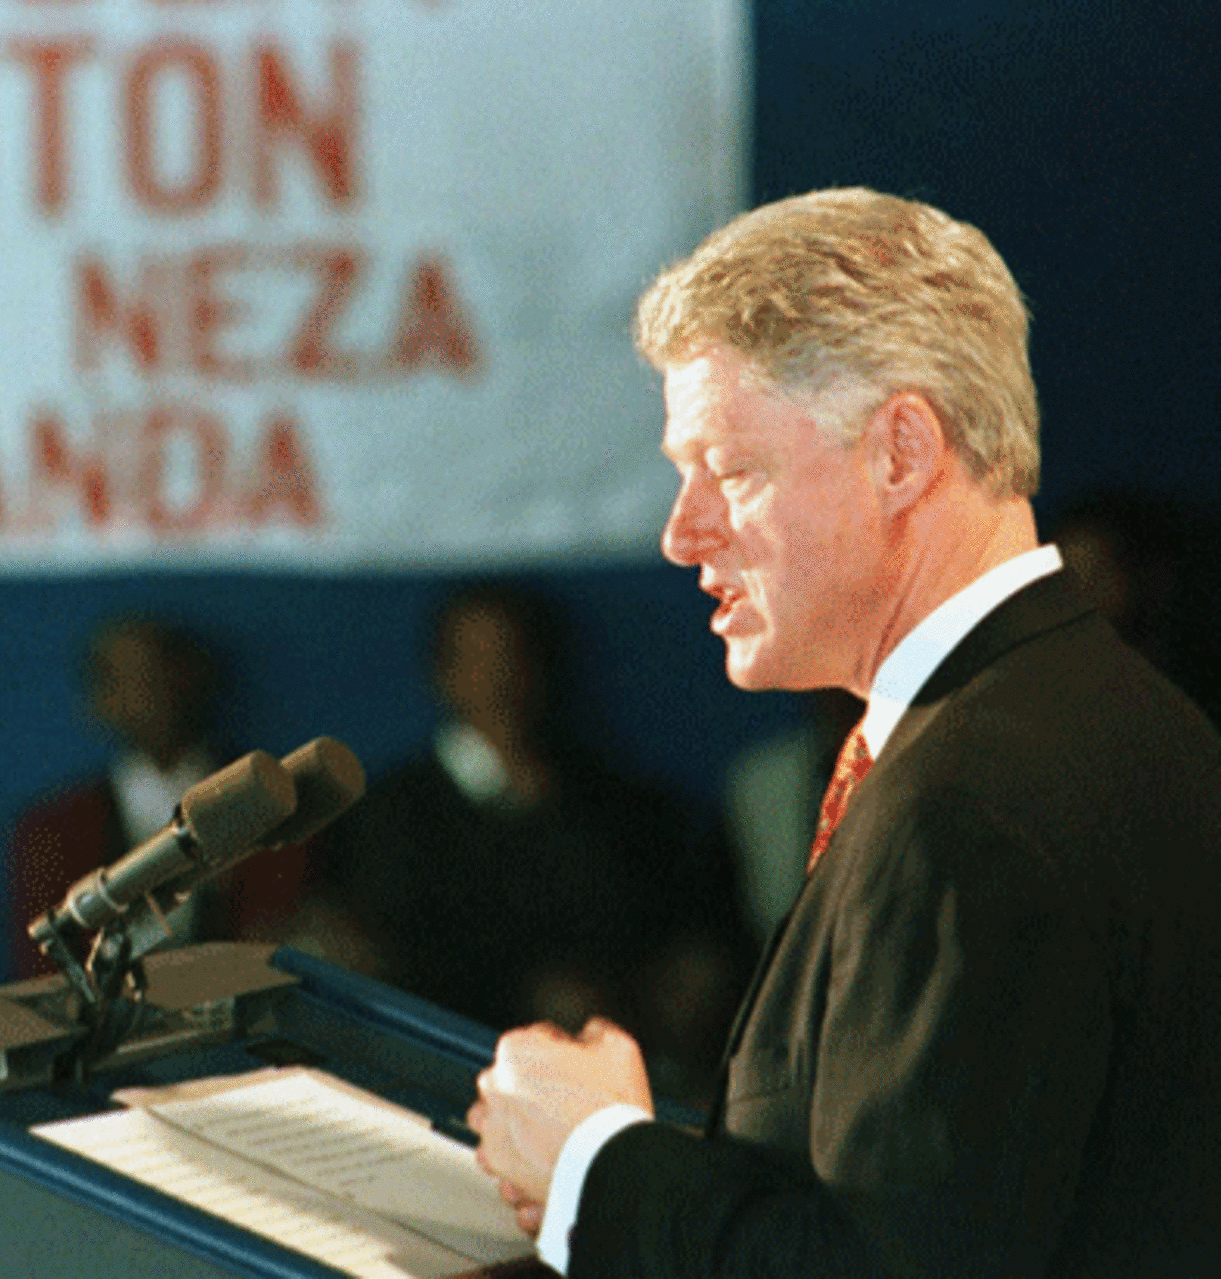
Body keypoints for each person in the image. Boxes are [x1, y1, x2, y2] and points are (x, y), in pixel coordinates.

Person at [466, 188, 1221, 1277]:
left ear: (902, 452)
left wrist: (597, 1163)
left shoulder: (966, 805)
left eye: (727, 469)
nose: (682, 536)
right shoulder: (1109, 719)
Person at [297, 583, 743, 1102]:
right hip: (439, 1076)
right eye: (479, 660)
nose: (502, 679)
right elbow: (376, 951)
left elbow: (671, 931)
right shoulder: (385, 815)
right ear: (443, 674)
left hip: (606, 1076)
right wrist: (523, 992)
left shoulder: (619, 804)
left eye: (514, 656)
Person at [6, 615, 308, 980]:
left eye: (160, 675)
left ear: (196, 681)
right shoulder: (54, 830)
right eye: (125, 682)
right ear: (96, 702)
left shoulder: (271, 802)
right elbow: (46, 971)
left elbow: (281, 937)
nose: (149, 695)